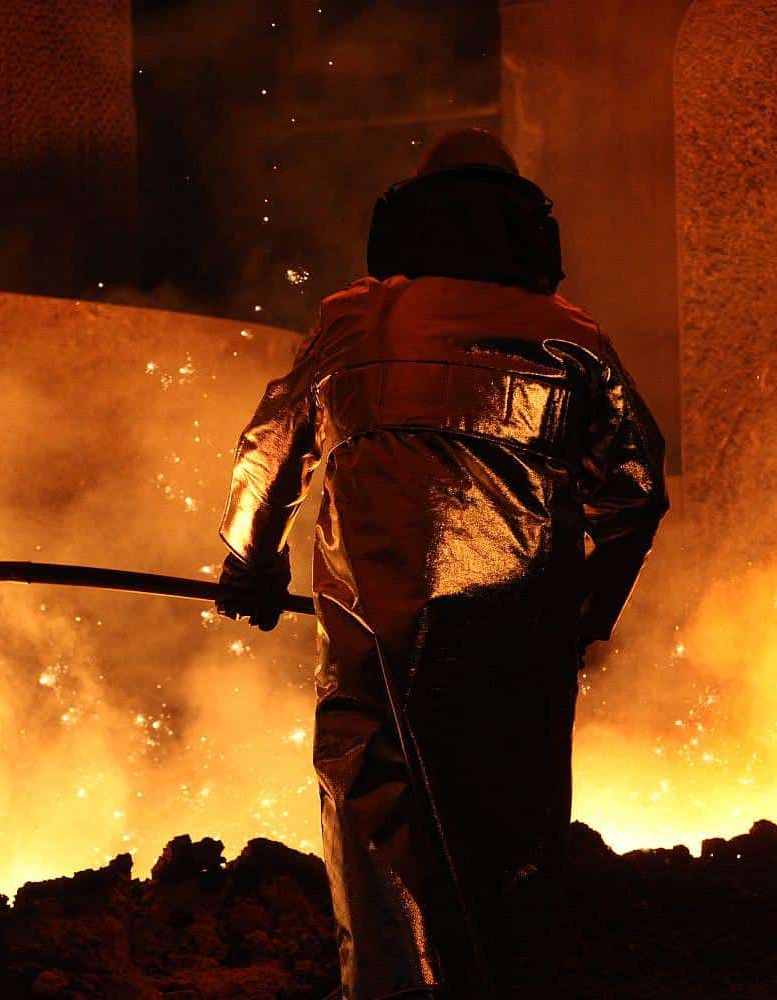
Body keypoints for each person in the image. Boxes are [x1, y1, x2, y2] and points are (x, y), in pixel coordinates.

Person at [215, 129, 668, 998]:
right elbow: (636, 490)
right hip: (520, 632)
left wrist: (250, 563)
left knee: (375, 801)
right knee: (513, 823)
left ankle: (394, 987)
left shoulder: (356, 321)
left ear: (407, 222)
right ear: (530, 231)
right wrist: (579, 616)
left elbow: (271, 446)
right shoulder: (571, 335)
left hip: (377, 627)